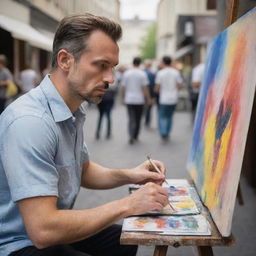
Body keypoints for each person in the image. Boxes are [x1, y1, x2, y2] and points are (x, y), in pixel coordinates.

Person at [0, 14, 169, 256]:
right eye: (101, 65)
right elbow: (43, 231)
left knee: (123, 242)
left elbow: (83, 169)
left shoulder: (73, 108)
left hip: (48, 230)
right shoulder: (30, 122)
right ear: (65, 60)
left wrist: (132, 175)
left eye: (112, 67)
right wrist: (128, 205)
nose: (111, 78)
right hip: (19, 242)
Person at [121, 57, 151, 144]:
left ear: (133, 63)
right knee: (138, 118)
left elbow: (123, 87)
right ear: (140, 63)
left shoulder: (127, 73)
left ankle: (131, 135)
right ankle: (135, 135)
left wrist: (122, 98)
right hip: (139, 100)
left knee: (131, 118)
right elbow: (145, 88)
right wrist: (147, 98)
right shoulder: (142, 74)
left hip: (129, 99)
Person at [155, 56, 183, 141]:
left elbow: (157, 88)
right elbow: (180, 85)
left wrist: (157, 91)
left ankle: (164, 132)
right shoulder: (176, 72)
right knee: (170, 116)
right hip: (173, 97)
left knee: (162, 116)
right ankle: (167, 132)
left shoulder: (160, 73)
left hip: (164, 98)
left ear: (163, 62)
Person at [143, 60, 155, 128]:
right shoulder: (151, 74)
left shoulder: (141, 72)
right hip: (149, 94)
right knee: (148, 109)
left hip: (141, 95)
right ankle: (147, 122)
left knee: (142, 109)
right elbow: (152, 86)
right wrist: (152, 97)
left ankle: (143, 120)